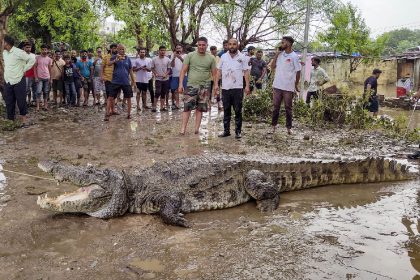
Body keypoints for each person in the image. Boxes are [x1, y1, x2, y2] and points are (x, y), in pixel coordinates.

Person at [178, 36, 217, 135]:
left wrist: (216, 86)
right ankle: (183, 129)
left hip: (205, 86)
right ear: (197, 45)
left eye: (203, 45)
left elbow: (214, 73)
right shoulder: (190, 55)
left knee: (200, 108)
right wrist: (180, 84)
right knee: (187, 107)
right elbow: (183, 71)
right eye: (199, 45)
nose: (201, 47)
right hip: (191, 85)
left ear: (206, 45)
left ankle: (196, 129)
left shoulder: (211, 58)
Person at [214, 38, 250, 139]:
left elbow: (246, 72)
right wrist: (216, 84)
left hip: (238, 88)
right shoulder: (223, 57)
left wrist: (247, 86)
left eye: (234, 44)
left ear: (237, 45)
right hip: (225, 88)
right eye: (230, 44)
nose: (232, 46)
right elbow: (218, 71)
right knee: (226, 110)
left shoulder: (242, 57)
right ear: (228, 45)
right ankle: (226, 131)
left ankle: (238, 132)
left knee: (238, 110)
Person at [271, 36, 301, 135]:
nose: (281, 44)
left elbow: (298, 71)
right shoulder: (280, 55)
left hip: (288, 87)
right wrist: (276, 55)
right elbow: (272, 67)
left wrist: (296, 84)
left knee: (288, 107)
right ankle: (273, 126)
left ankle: (289, 128)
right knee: (276, 107)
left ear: (289, 43)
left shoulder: (294, 57)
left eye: (283, 42)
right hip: (277, 85)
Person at [2, 35, 35, 126]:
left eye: (2, 41)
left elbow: (32, 59)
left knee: (21, 100)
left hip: (19, 80)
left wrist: (24, 69)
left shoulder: (18, 52)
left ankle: (24, 121)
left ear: (6, 43)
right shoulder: (4, 53)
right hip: (8, 80)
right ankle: (11, 121)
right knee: (9, 101)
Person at [105, 44, 136, 121]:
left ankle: (129, 114)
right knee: (110, 97)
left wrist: (133, 81)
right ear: (117, 50)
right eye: (120, 49)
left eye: (123, 49)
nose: (122, 50)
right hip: (115, 81)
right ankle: (107, 114)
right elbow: (108, 64)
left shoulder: (128, 59)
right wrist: (116, 59)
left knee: (129, 98)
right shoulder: (114, 57)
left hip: (126, 81)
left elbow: (131, 71)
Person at [151, 46, 171, 112]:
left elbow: (169, 69)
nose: (163, 52)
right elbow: (152, 68)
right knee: (157, 92)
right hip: (158, 79)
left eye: (164, 50)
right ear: (158, 51)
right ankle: (154, 107)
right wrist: (155, 73)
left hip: (166, 79)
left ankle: (162, 107)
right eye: (161, 50)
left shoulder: (168, 59)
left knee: (163, 93)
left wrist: (166, 74)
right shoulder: (154, 59)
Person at [34, 44, 52, 111]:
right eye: (43, 49)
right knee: (38, 91)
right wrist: (36, 77)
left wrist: (51, 78)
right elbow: (35, 68)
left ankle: (45, 106)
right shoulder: (37, 57)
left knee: (46, 91)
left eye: (45, 49)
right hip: (39, 78)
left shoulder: (49, 59)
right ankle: (38, 106)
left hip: (47, 77)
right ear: (40, 50)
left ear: (47, 50)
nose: (44, 51)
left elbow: (50, 69)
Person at [102, 43, 118, 117]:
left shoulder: (118, 57)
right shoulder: (105, 56)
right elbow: (102, 67)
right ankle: (108, 111)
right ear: (111, 49)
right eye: (114, 48)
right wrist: (102, 76)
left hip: (115, 79)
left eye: (116, 48)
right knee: (109, 95)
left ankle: (113, 110)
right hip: (107, 78)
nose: (115, 50)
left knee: (113, 95)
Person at [169, 44, 187, 110]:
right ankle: (177, 104)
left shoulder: (185, 55)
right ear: (175, 49)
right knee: (175, 90)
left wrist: (180, 57)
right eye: (177, 48)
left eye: (179, 48)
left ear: (182, 49)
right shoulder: (172, 55)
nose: (178, 49)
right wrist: (174, 58)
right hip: (175, 75)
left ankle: (186, 103)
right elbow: (172, 65)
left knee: (185, 90)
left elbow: (186, 64)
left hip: (184, 75)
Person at [210, 45, 223, 110]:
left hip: (218, 78)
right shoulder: (209, 57)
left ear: (216, 50)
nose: (213, 51)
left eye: (214, 49)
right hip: (210, 78)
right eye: (212, 50)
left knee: (218, 91)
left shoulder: (219, 58)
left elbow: (220, 67)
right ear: (211, 51)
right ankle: (209, 106)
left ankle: (219, 105)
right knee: (209, 92)